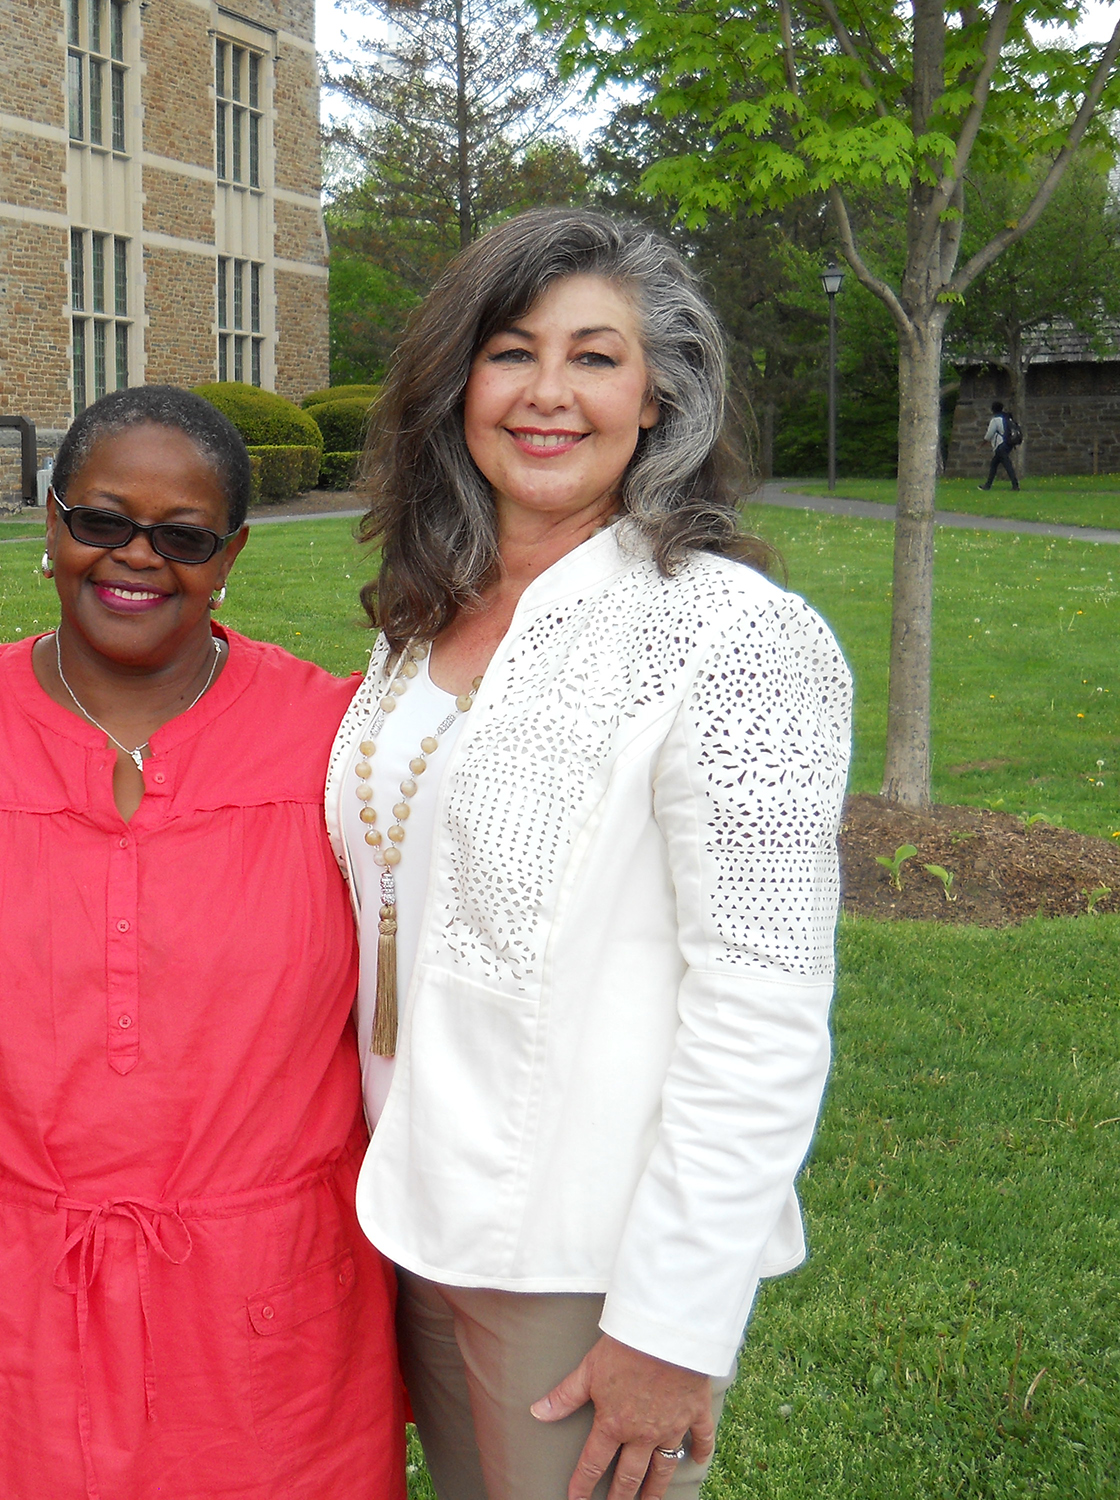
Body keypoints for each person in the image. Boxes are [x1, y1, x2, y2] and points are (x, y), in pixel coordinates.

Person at [328, 208, 852, 1500]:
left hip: (581, 1261)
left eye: (595, 357)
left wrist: (674, 1325)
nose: (547, 394)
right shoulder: (424, 619)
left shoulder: (731, 637)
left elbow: (765, 1011)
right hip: (404, 1214)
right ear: (458, 387)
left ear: (659, 391)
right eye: (511, 353)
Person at [0, 386, 408, 1500]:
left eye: (183, 536)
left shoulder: (337, 744)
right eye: (100, 521)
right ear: (49, 524)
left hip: (259, 1315)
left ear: (231, 550)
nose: (135, 558)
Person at [983, 400, 1022, 490]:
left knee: (1007, 465)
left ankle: (1015, 485)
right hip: (1008, 444)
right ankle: (987, 485)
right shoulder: (1007, 417)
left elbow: (989, 434)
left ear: (993, 409)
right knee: (994, 464)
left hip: (1000, 445)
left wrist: (982, 443)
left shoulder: (995, 419)